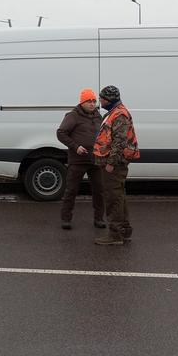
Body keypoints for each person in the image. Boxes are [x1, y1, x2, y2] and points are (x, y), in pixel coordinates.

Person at [93, 85, 140, 245]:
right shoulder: (114, 112)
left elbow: (119, 142)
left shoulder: (119, 114)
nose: (100, 101)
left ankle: (115, 235)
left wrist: (111, 163)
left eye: (102, 99)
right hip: (112, 163)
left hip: (114, 164)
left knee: (113, 198)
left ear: (110, 99)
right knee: (119, 197)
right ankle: (124, 230)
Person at [56, 89, 105, 230]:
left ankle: (99, 219)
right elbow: (61, 133)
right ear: (82, 102)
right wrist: (76, 147)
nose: (92, 104)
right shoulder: (73, 116)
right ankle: (66, 219)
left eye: (94, 101)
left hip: (95, 160)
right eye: (88, 101)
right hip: (77, 160)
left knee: (99, 190)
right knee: (71, 190)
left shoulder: (98, 116)